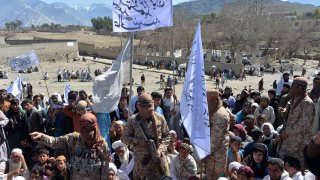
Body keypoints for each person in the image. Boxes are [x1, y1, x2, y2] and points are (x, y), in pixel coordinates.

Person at [30, 100, 109, 180]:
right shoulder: (74, 138)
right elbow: (55, 142)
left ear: (95, 127)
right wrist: (42, 137)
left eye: (89, 128)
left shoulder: (101, 144)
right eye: (83, 127)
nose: (86, 131)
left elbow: (105, 167)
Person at [121, 93, 171, 179]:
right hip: (142, 164)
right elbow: (124, 138)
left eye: (150, 108)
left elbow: (167, 136)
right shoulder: (133, 120)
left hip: (159, 162)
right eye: (145, 108)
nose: (148, 111)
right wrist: (137, 141)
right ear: (139, 106)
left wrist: (160, 149)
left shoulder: (160, 118)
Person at [278, 77, 314, 169]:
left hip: (297, 144)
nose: (291, 89)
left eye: (294, 87)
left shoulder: (307, 103)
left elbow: (304, 124)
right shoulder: (293, 99)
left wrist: (287, 132)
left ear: (300, 89)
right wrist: (284, 111)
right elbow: (291, 112)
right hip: (287, 141)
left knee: (294, 169)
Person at [205, 89, 230, 179]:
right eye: (206, 100)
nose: (208, 103)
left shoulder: (220, 115)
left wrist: (203, 153)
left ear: (216, 100)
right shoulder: (214, 111)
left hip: (216, 157)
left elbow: (215, 140)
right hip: (212, 155)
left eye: (211, 100)